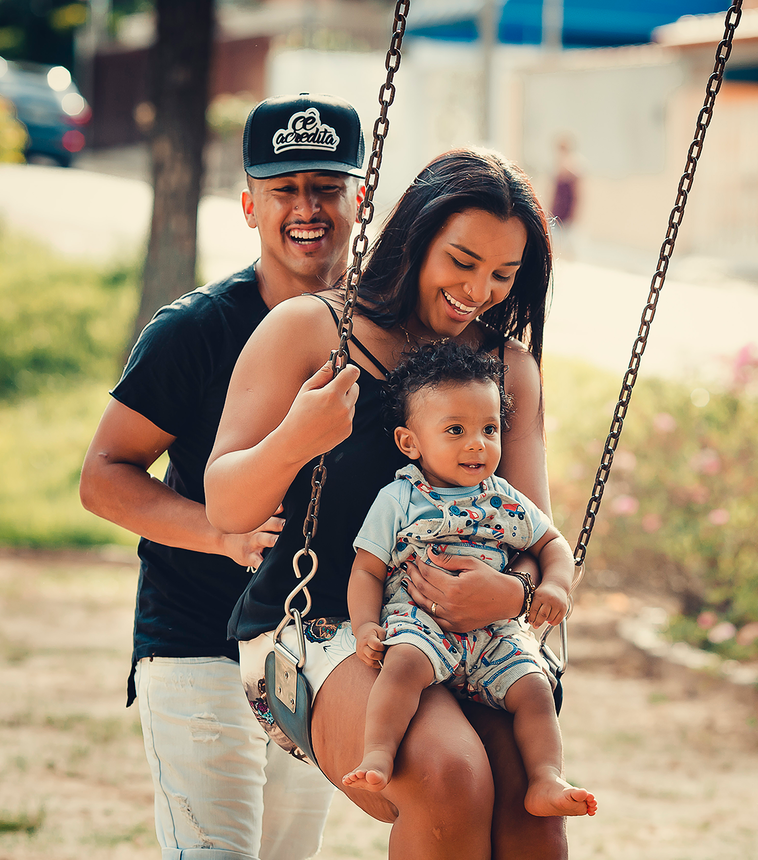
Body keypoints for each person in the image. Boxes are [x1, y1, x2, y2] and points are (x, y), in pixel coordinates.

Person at [203, 147, 568, 859]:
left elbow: (534, 534)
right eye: (462, 261)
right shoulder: (312, 329)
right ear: (415, 239)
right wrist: (296, 440)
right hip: (324, 623)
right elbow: (225, 506)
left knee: (532, 804)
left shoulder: (509, 369)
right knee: (448, 772)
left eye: (503, 274)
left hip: (473, 633)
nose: (479, 291)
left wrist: (516, 593)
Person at [79, 92, 369, 860]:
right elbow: (103, 475)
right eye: (284, 190)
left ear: (358, 199)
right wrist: (218, 532)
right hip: (196, 641)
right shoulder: (195, 330)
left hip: (316, 647)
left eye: (326, 187)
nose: (307, 208)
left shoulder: (379, 331)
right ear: (249, 206)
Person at [342, 342, 595, 820]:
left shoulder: (505, 498)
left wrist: (555, 586)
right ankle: (378, 753)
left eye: (489, 429)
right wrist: (364, 626)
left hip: (495, 632)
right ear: (410, 443)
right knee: (401, 668)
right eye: (455, 430)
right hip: (421, 622)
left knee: (535, 690)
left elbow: (553, 544)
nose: (477, 443)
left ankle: (545, 777)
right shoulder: (399, 499)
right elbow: (366, 569)